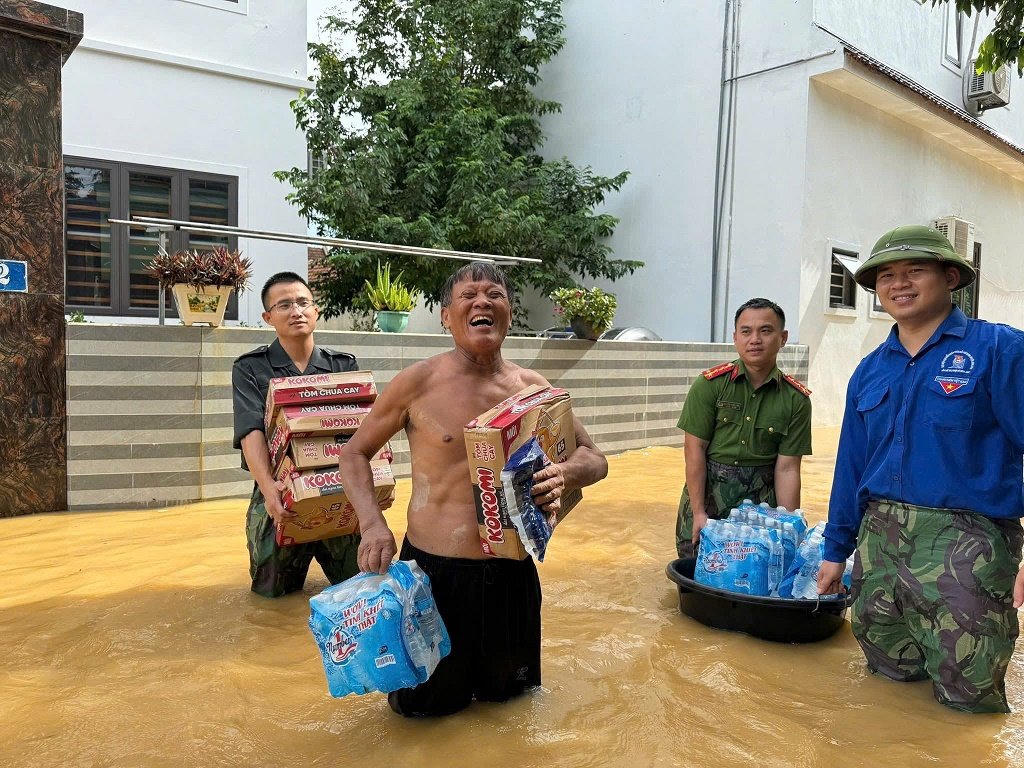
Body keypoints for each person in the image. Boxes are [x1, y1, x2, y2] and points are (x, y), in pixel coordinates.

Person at [337, 261, 608, 717]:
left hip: (511, 576)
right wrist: (371, 525)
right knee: (422, 717)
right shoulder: (417, 383)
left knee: (510, 712)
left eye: (494, 295)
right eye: (468, 296)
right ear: (446, 316)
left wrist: (564, 474)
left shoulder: (534, 391)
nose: (482, 302)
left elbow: (595, 459)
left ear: (509, 311)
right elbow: (353, 454)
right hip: (432, 577)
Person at [818, 225, 1024, 714]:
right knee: (887, 690)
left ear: (950, 277)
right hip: (878, 551)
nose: (898, 284)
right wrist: (835, 551)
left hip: (967, 552)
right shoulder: (870, 369)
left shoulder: (998, 351)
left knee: (967, 701)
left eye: (914, 271)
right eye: (886, 275)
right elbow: (850, 468)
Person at [232, 271, 367, 598]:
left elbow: (363, 428)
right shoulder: (250, 368)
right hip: (278, 490)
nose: (296, 311)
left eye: (304, 303)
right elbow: (251, 431)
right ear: (268, 317)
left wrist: (372, 491)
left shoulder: (342, 365)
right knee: (271, 594)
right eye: (284, 305)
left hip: (340, 490)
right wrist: (269, 490)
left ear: (316, 311)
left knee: (361, 585)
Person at [674, 298, 812, 558]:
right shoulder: (709, 385)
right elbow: (694, 452)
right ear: (735, 337)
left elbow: (787, 468)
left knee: (758, 580)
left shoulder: (796, 399)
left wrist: (789, 528)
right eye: (746, 331)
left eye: (766, 330)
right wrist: (700, 512)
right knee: (695, 576)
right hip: (708, 498)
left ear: (783, 338)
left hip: (761, 513)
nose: (755, 339)